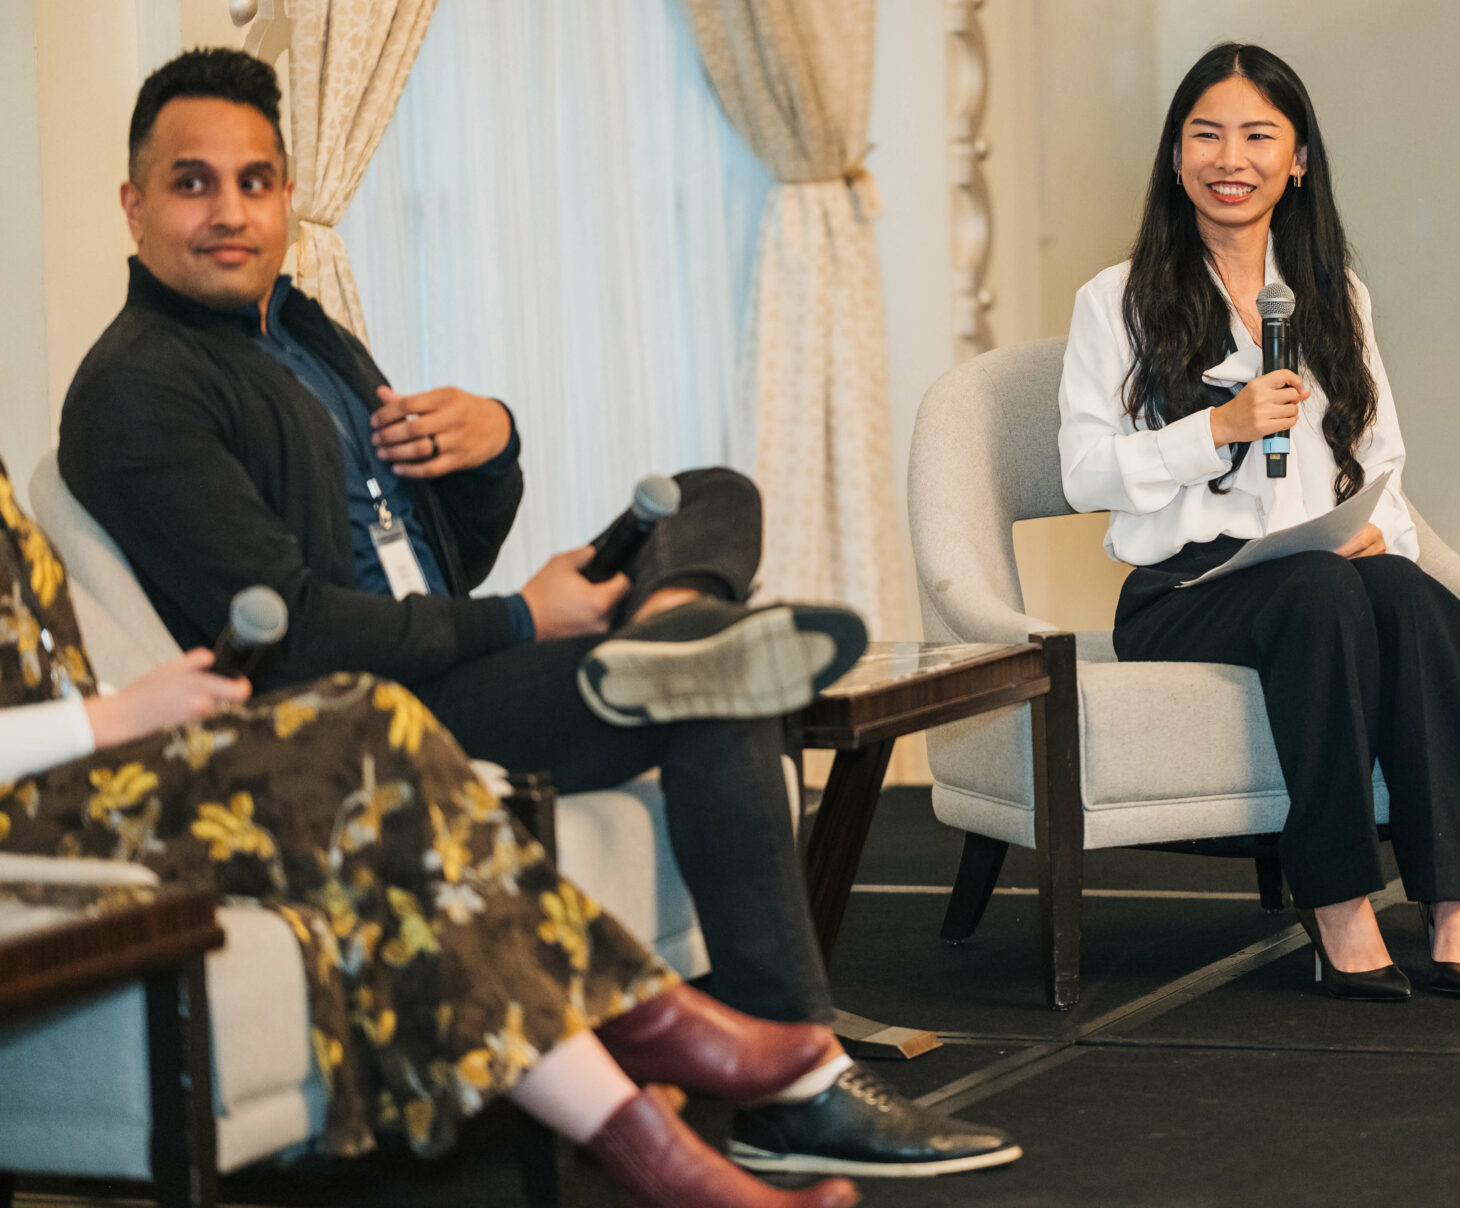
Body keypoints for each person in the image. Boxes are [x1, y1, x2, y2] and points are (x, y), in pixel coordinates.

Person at [58, 47, 1018, 1176]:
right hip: (373, 723)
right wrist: (525, 619)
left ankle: (668, 634)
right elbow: (304, 632)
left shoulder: (302, 333)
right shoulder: (140, 388)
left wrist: (491, 445)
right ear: (134, 204)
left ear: (281, 195)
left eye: (256, 181)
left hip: (456, 648)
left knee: (714, 496)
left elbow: (435, 551)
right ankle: (798, 1088)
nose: (230, 211)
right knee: (719, 695)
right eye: (193, 183)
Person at [0, 454, 856, 1207]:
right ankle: (642, 1022)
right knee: (361, 724)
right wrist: (107, 721)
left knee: (376, 734)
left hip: (80, 777)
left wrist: (492, 450)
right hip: (36, 808)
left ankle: (673, 1159)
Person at [1057, 43, 1460, 1001]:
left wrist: (1389, 536)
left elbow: (1380, 453)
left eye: (1259, 135)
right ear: (1176, 157)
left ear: (1298, 160)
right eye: (1207, 134)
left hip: (1314, 565)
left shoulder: (1335, 295)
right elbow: (1085, 472)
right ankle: (1337, 901)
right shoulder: (1116, 298)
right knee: (1322, 595)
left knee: (1418, 604)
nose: (1231, 157)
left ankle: (1451, 898)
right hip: (1184, 590)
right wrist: (1214, 427)